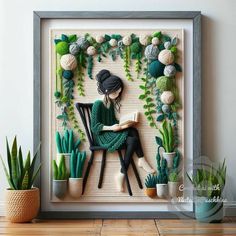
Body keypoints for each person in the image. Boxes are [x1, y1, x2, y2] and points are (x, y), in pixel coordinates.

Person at [91, 69, 155, 192]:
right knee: (132, 138)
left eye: (119, 92)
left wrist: (123, 124)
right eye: (115, 92)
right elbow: (95, 127)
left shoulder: (110, 105)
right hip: (102, 137)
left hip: (111, 132)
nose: (118, 95)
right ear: (107, 91)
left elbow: (113, 121)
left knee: (133, 132)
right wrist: (112, 128)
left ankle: (127, 170)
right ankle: (129, 168)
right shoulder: (98, 104)